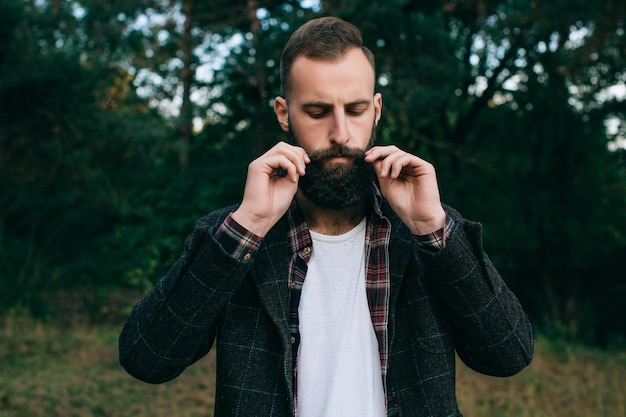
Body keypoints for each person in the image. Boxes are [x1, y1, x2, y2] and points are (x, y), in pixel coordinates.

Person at [119, 16, 533, 417]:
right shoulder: (234, 235)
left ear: (376, 110)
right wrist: (248, 227)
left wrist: (432, 229)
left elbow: (508, 355)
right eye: (317, 112)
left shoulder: (426, 231)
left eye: (354, 110)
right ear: (284, 113)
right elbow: (147, 359)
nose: (340, 134)